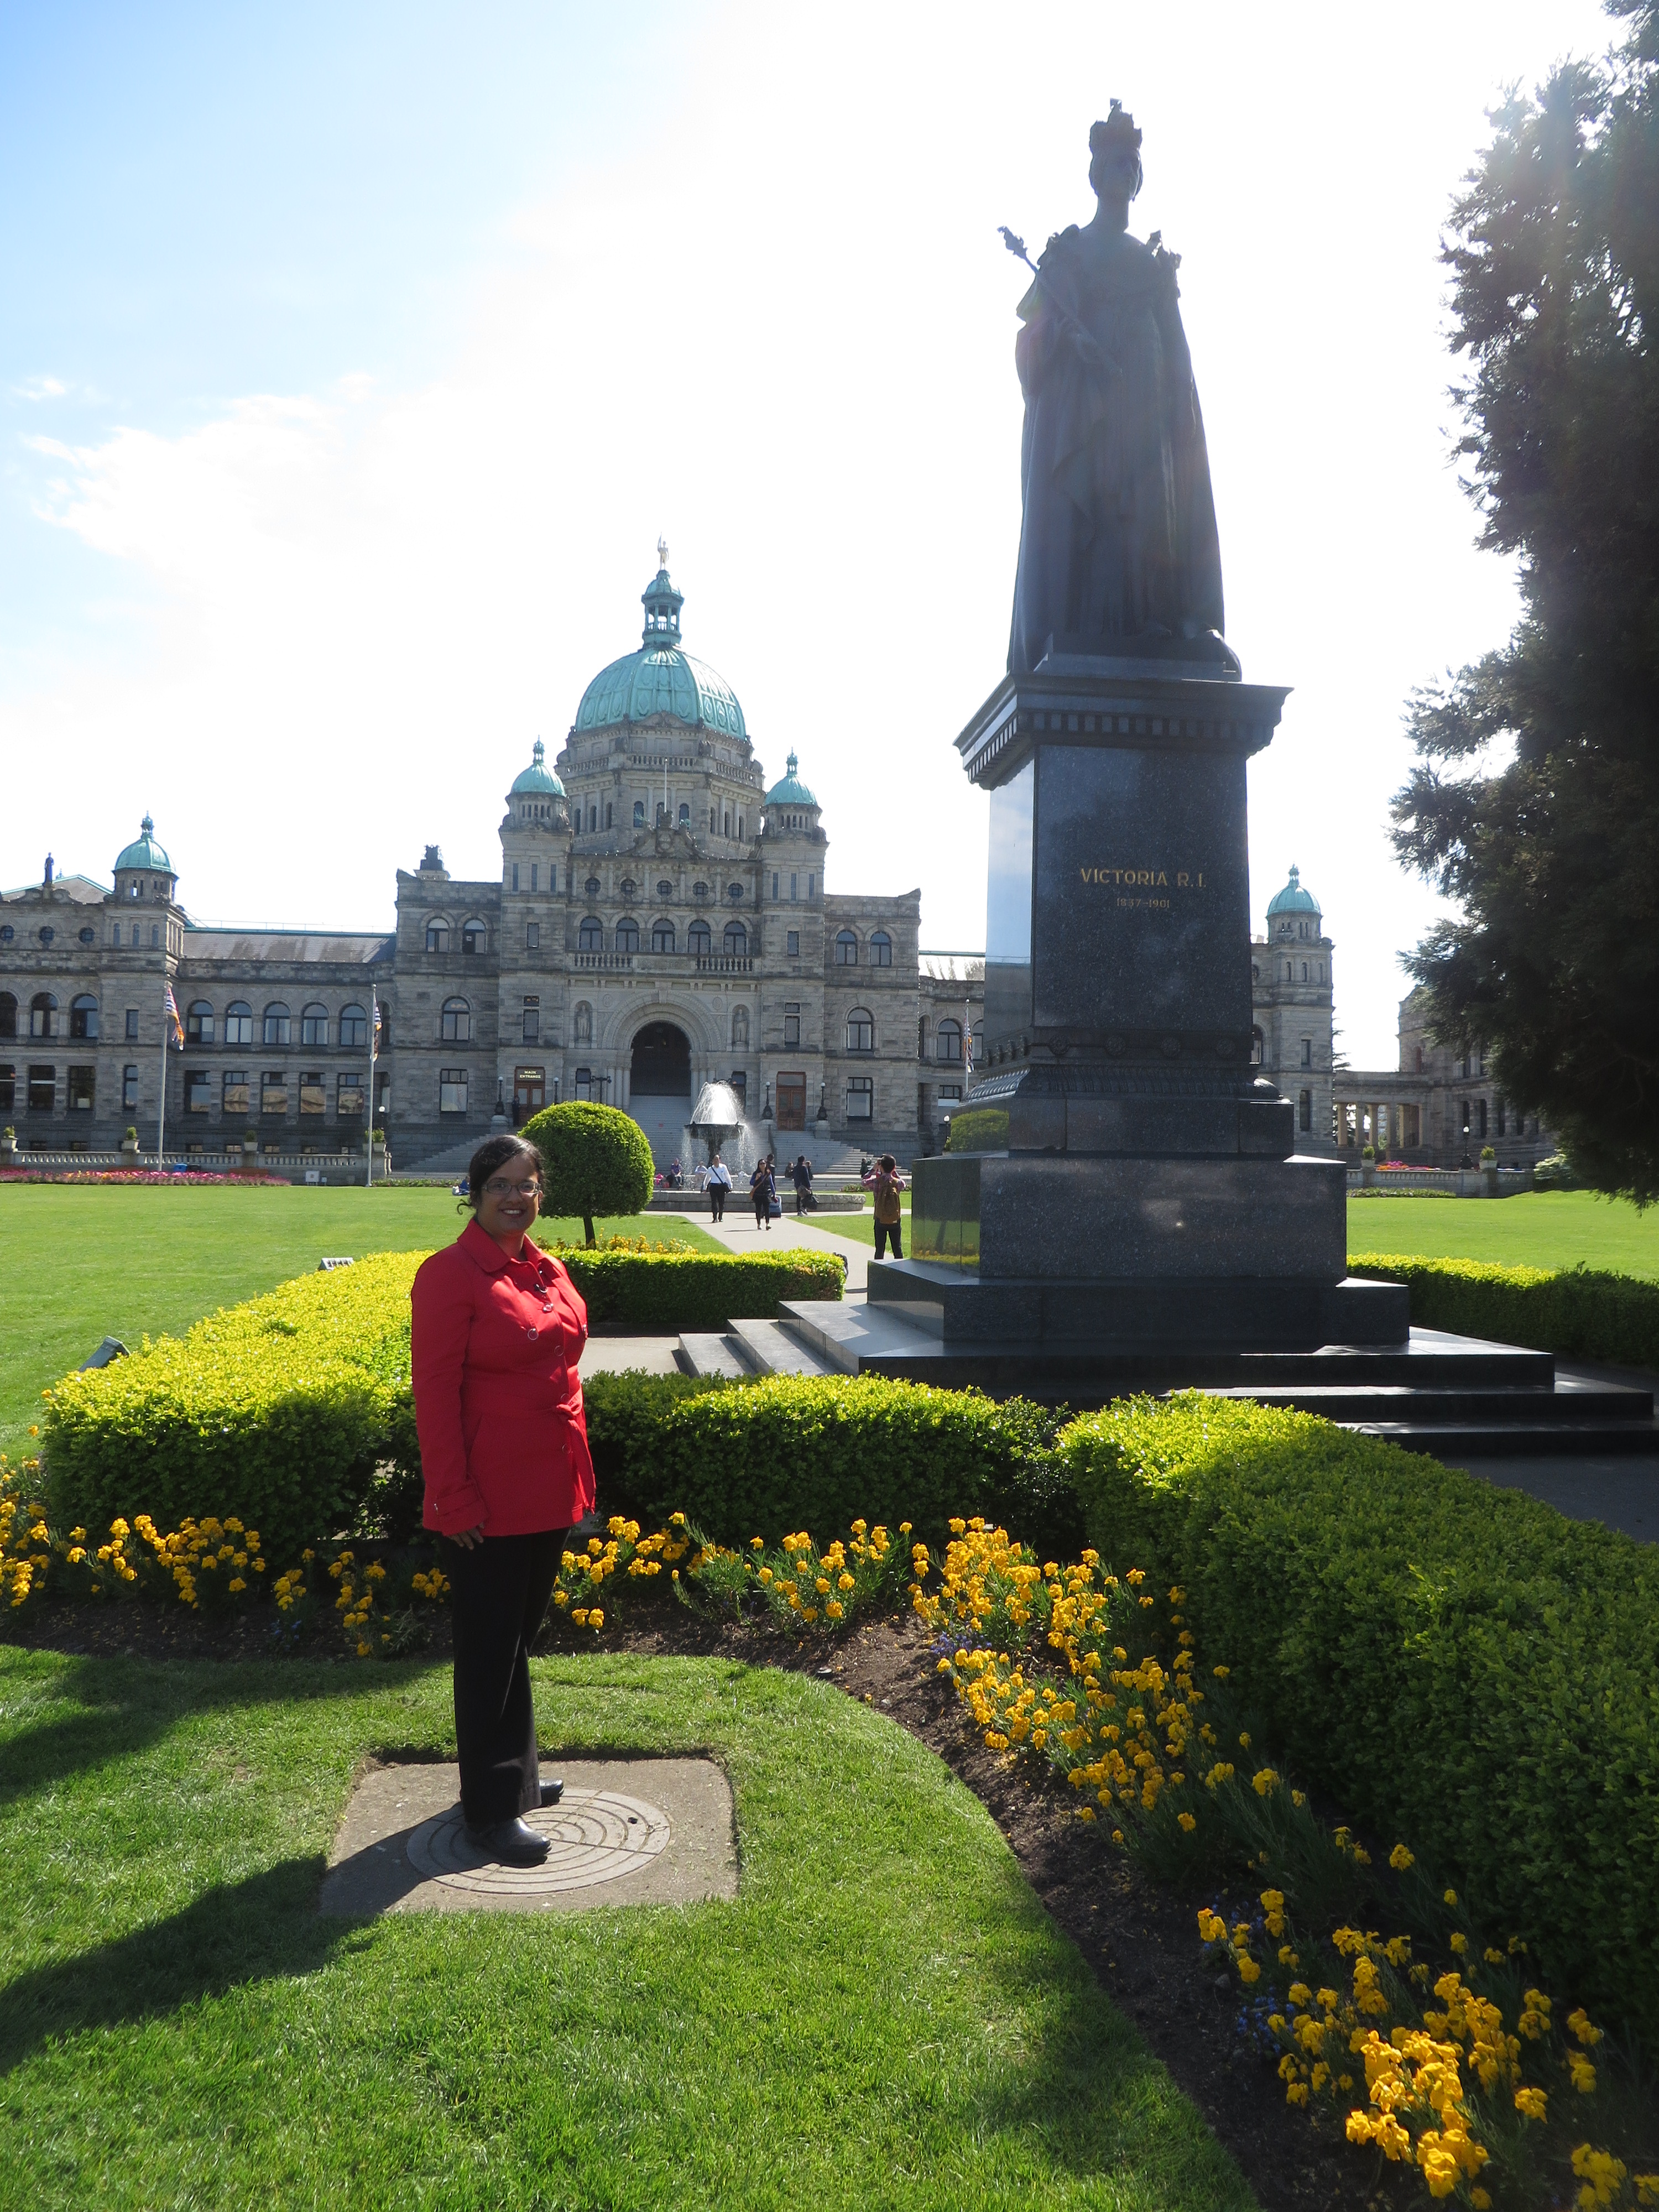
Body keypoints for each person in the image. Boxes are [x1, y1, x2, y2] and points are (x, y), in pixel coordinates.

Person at [410, 1132, 594, 1868]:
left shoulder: (544, 1266)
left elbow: (562, 1365)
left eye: (527, 1184)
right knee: (489, 1649)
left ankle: (512, 1774)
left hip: (547, 1482)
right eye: (500, 1186)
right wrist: (453, 1499)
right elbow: (435, 1397)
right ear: (476, 1193)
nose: (515, 1197)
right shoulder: (450, 1276)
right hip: (487, 1494)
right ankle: (489, 1806)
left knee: (518, 1637)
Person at [863, 1153, 905, 1260]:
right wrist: (893, 1171)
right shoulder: (898, 1183)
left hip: (880, 1217)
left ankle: (878, 1271)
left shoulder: (876, 1182)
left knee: (880, 1249)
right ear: (894, 1167)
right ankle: (901, 1271)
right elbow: (904, 1184)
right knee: (897, 1248)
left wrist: (873, 1169)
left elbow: (864, 1182)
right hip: (895, 1218)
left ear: (880, 1166)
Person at [750, 1153, 776, 1231]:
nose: (762, 1165)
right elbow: (751, 1183)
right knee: (758, 1209)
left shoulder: (769, 1174)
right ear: (759, 1165)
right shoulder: (756, 1174)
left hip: (766, 1194)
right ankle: (759, 1224)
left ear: (766, 1165)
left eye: (764, 1163)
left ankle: (768, 1223)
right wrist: (756, 1178)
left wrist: (774, 1193)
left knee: (767, 1210)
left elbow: (771, 1184)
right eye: (761, 1164)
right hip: (758, 1194)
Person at [706, 1151, 731, 1222]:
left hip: (721, 1186)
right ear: (713, 1161)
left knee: (721, 1203)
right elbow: (707, 1178)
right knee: (714, 1202)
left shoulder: (723, 1167)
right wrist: (704, 1187)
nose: (716, 1161)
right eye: (714, 1159)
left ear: (720, 1160)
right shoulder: (710, 1169)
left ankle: (721, 1217)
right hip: (713, 1186)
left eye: (717, 1159)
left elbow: (727, 1176)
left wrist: (730, 1184)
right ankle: (715, 1218)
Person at [791, 1151, 815, 1217]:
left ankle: (799, 1211)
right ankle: (803, 1207)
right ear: (803, 1161)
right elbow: (806, 1177)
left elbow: (794, 1176)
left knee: (798, 1197)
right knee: (809, 1195)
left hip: (797, 1185)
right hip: (804, 1185)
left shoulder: (795, 1167)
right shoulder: (804, 1167)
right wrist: (809, 1186)